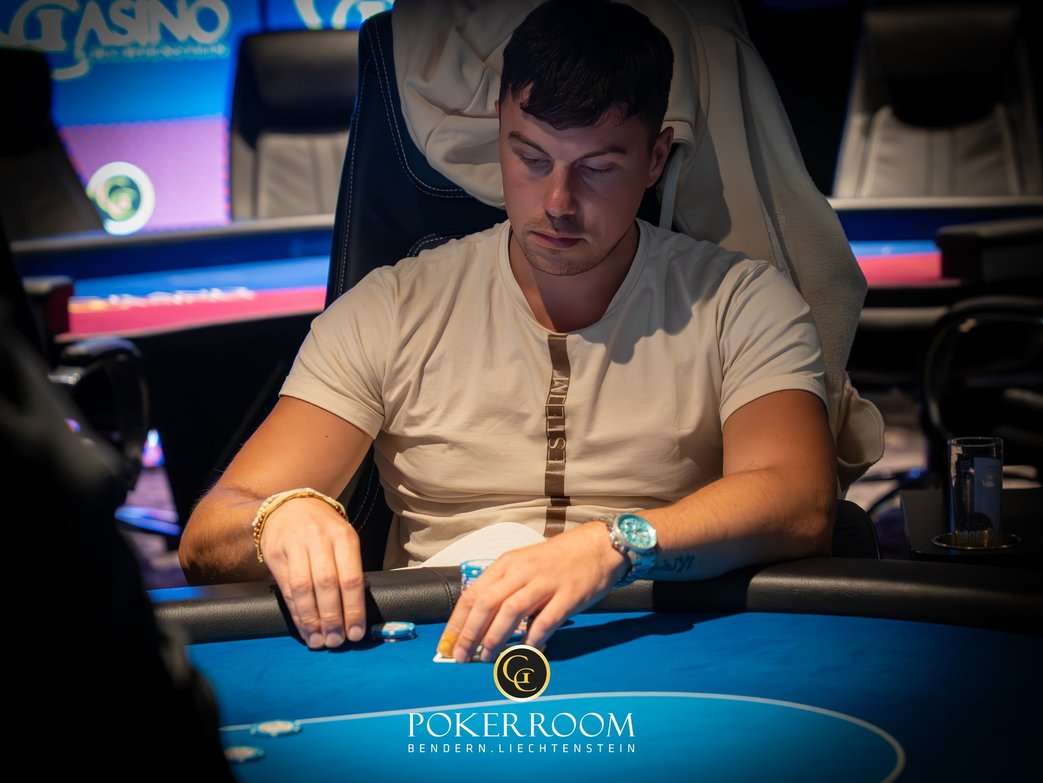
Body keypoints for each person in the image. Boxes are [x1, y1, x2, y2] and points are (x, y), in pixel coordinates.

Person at [179, 0, 835, 664]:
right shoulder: (392, 306)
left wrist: (616, 543)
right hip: (434, 652)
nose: (558, 202)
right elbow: (211, 532)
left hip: (652, 638)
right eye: (531, 158)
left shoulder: (739, 300)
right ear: (499, 132)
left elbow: (798, 500)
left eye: (598, 167)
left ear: (655, 157)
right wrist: (278, 517)